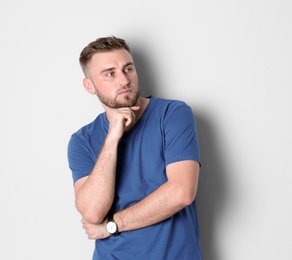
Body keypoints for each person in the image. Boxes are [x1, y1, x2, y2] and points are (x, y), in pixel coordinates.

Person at [67, 36, 202, 259]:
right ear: (89, 86)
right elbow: (92, 212)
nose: (124, 80)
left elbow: (181, 192)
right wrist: (112, 137)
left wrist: (111, 226)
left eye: (128, 68)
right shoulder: (82, 141)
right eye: (110, 73)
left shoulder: (173, 114)